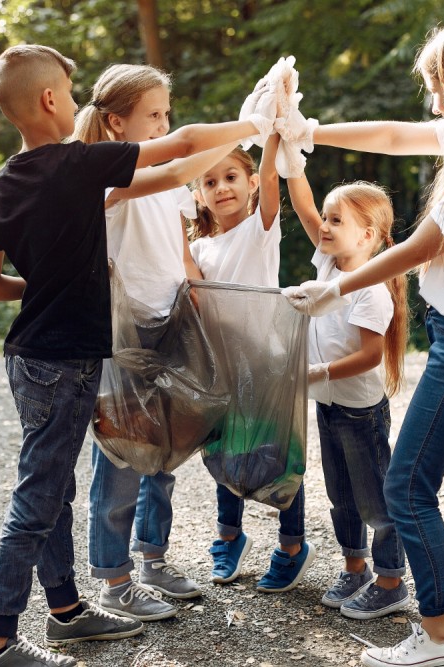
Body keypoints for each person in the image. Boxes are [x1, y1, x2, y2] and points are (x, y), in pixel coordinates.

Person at [0, 45, 275, 667]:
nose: (79, 100)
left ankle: (65, 612)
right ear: (51, 100)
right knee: (36, 499)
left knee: (53, 491)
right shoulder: (78, 165)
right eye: (72, 90)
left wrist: (52, 287)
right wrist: (257, 122)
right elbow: (179, 148)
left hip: (26, 356)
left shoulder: (4, 181)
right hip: (67, 363)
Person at [283, 16, 444, 667]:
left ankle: (437, 635)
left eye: (438, 87)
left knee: (404, 487)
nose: (432, 101)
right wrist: (307, 133)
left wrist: (334, 290)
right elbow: (394, 134)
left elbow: (421, 247)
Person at [70, 64, 270, 623]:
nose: (164, 123)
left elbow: (180, 253)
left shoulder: (169, 183)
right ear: (116, 123)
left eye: (167, 113)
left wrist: (197, 305)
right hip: (125, 332)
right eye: (153, 115)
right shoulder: (107, 177)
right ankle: (113, 581)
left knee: (164, 452)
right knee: (121, 455)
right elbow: (180, 159)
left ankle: (151, 559)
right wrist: (244, 126)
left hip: (170, 323)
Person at [187, 138, 315, 593]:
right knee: (225, 453)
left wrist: (273, 130)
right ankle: (229, 535)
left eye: (231, 177)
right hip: (222, 368)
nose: (222, 187)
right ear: (198, 194)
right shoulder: (199, 249)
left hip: (267, 362)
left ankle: (292, 546)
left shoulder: (260, 229)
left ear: (251, 183)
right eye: (210, 181)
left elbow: (272, 182)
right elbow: (196, 293)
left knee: (279, 455)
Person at [284, 173, 409, 620]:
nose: (325, 226)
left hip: (361, 413)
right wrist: (293, 154)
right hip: (329, 406)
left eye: (337, 220)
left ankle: (391, 579)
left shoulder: (371, 291)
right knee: (341, 493)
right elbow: (302, 206)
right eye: (327, 218)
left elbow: (369, 357)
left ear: (368, 236)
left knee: (375, 498)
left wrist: (317, 371)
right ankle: (355, 569)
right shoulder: (328, 268)